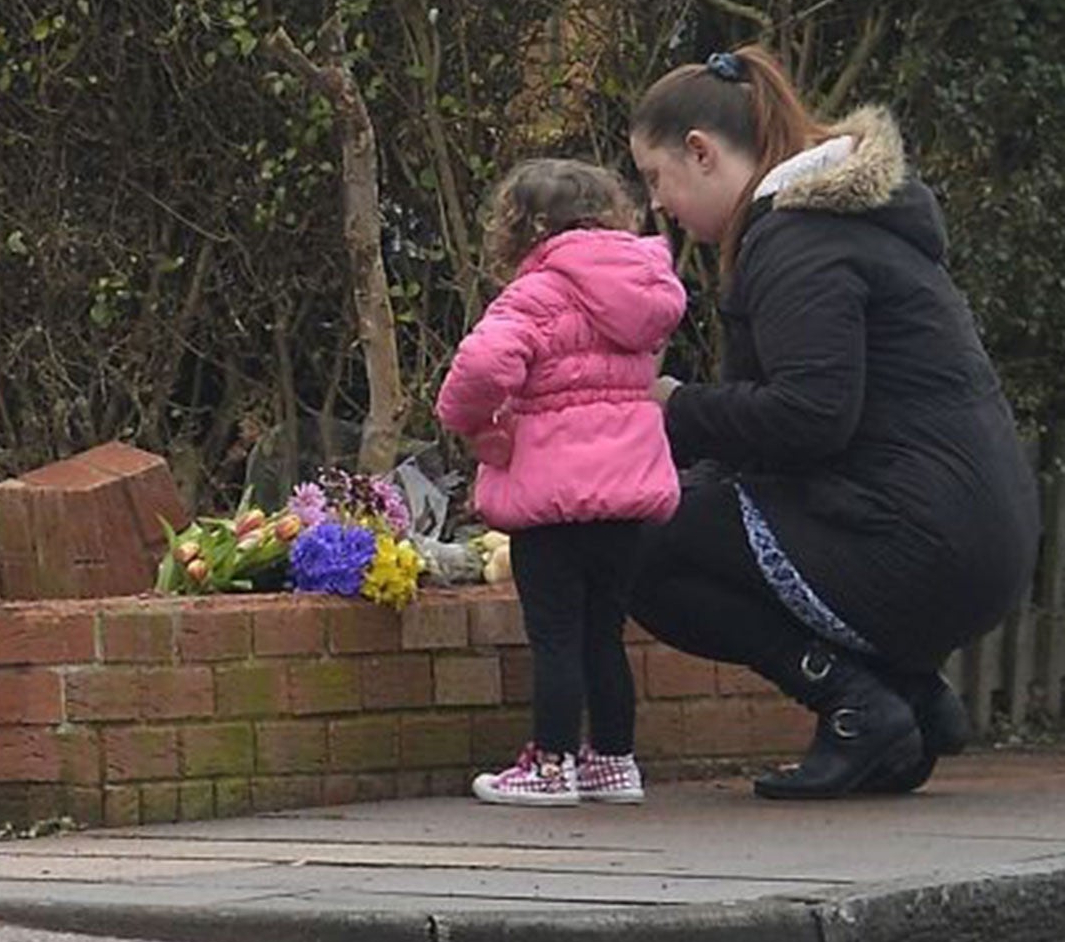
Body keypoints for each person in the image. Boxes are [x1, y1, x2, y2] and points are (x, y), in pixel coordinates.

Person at [627, 45, 1039, 798]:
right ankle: (906, 695)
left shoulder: (797, 243)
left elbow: (811, 417)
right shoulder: (849, 225)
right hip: (979, 539)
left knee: (635, 540)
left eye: (658, 178)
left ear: (702, 152)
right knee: (695, 511)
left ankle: (858, 705)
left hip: (918, 543)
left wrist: (676, 407)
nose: (659, 204)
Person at [437, 158, 687, 806]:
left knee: (555, 636)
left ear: (521, 228)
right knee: (604, 633)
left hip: (553, 500)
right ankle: (612, 760)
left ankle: (550, 766)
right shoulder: (640, 287)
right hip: (627, 500)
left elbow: (484, 364)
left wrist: (472, 422)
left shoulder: (538, 291)